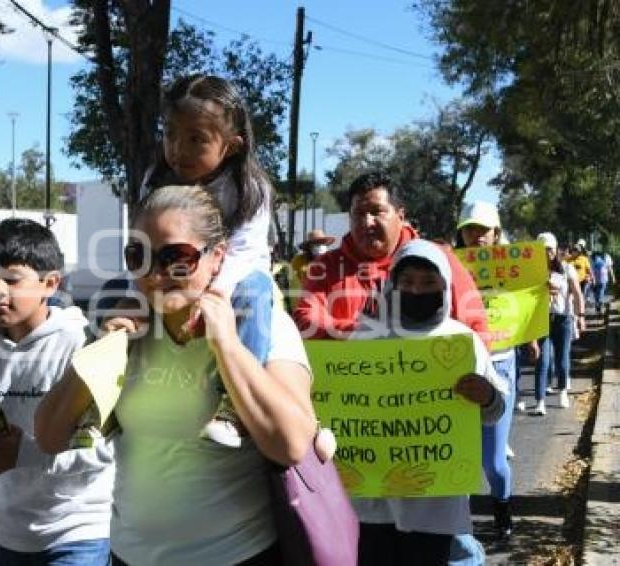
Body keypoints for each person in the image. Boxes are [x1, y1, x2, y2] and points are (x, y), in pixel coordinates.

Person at [35, 186, 317, 565]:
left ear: (217, 258)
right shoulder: (122, 329)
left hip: (238, 556)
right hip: (129, 556)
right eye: (138, 256)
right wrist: (105, 347)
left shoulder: (263, 329)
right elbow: (50, 436)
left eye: (176, 258)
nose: (155, 274)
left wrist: (229, 347)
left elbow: (292, 445)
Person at [0, 219, 113, 566]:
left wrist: (26, 454)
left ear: (50, 283)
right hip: (11, 537)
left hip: (80, 533)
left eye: (12, 280)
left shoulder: (82, 346)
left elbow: (105, 448)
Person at [137, 74, 276, 447]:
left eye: (196, 138)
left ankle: (234, 401)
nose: (178, 148)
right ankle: (106, 393)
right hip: (172, 272)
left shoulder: (252, 189)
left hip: (232, 277)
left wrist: (211, 294)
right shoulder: (156, 177)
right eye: (170, 134)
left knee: (256, 293)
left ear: (231, 146)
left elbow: (246, 252)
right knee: (116, 291)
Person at [350, 239, 507, 566]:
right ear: (392, 284)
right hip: (374, 500)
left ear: (446, 287)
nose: (416, 291)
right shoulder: (365, 338)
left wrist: (487, 396)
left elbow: (495, 412)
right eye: (406, 282)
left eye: (428, 283)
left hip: (435, 502)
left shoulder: (462, 342)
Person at [293, 171, 488, 341]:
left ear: (400, 216)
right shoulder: (325, 267)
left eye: (377, 212)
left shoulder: (439, 259)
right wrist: (364, 333)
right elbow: (306, 319)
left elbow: (476, 327)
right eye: (358, 214)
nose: (367, 222)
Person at [454, 201, 518, 541]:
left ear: (497, 233)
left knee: (493, 464)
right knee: (457, 461)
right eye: (471, 228)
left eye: (485, 229)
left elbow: (529, 308)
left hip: (500, 366)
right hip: (456, 371)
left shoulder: (517, 266)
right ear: (461, 231)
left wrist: (545, 296)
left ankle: (502, 510)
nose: (477, 235)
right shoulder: (447, 266)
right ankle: (458, 528)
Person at [532, 232, 586, 415]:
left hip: (563, 319)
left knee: (562, 359)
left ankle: (562, 390)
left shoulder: (567, 269)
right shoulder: (532, 273)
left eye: (549, 249)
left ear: (555, 250)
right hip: (542, 320)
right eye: (542, 250)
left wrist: (581, 316)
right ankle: (540, 401)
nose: (546, 253)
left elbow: (577, 293)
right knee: (542, 360)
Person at [567, 239, 593, 305]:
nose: (575, 252)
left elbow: (589, 269)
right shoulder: (568, 259)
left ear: (579, 252)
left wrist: (591, 277)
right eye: (574, 250)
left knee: (580, 296)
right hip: (571, 281)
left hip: (582, 281)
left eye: (577, 251)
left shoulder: (584, 259)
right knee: (572, 297)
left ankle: (581, 310)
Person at [590, 247, 615, 315]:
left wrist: (613, 277)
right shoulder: (594, 257)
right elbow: (590, 269)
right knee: (598, 294)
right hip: (598, 279)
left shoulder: (605, 257)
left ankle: (599, 306)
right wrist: (613, 277)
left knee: (598, 294)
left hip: (599, 279)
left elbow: (610, 268)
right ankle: (598, 306)